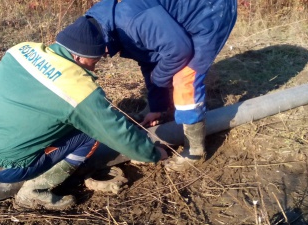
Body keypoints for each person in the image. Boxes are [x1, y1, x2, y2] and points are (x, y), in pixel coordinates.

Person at [0, 16, 168, 211]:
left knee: (72, 117)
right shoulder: (76, 88)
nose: (95, 66)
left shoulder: (21, 49)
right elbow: (116, 134)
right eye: (95, 61)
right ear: (79, 56)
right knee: (90, 134)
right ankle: (35, 189)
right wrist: (151, 153)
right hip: (4, 168)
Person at [85, 0, 237, 171]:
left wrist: (159, 79)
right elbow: (150, 59)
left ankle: (195, 151)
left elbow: (180, 51)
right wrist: (156, 107)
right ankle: (162, 109)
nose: (103, 59)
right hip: (183, 20)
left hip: (210, 11)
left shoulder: (131, 21)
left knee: (185, 79)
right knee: (163, 69)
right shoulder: (107, 23)